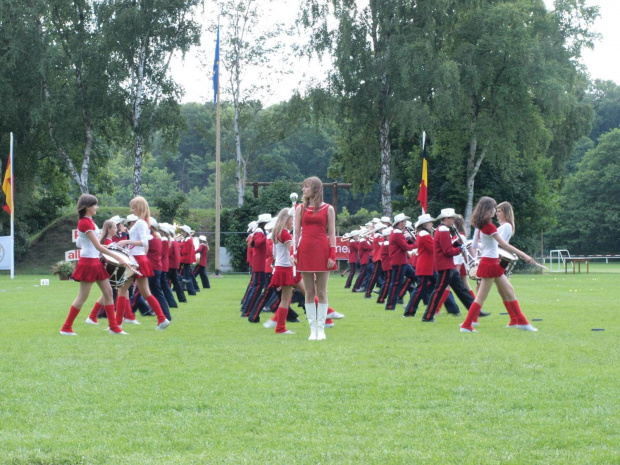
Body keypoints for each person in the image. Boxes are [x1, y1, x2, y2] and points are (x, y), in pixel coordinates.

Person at [460, 196, 538, 332]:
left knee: (509, 291)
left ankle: (521, 322)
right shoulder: (489, 226)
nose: (494, 212)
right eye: (493, 209)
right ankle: (467, 325)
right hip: (491, 264)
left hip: (490, 263)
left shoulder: (482, 225)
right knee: (481, 297)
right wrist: (525, 256)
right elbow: (504, 245)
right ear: (487, 209)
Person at [60, 195, 129, 336]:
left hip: (94, 262)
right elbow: (97, 246)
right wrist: (118, 258)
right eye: (95, 205)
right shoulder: (85, 223)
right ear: (87, 206)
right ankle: (66, 328)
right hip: (88, 263)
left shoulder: (89, 221)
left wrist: (112, 250)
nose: (97, 207)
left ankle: (113, 327)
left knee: (108, 292)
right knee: (82, 297)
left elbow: (94, 244)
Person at [116, 196, 171, 330]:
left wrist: (126, 242)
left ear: (139, 208)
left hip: (135, 260)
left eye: (133, 207)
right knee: (145, 292)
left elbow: (145, 242)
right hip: (139, 259)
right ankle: (162, 318)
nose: (131, 209)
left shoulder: (140, 223)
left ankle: (117, 324)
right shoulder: (144, 222)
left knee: (122, 291)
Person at [294, 176, 336, 341]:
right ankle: (313, 329)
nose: (303, 189)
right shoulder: (300, 209)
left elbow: (331, 233)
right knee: (309, 291)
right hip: (305, 249)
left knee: (322, 291)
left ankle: (321, 328)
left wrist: (332, 254)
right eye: (303, 187)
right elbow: (296, 233)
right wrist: (294, 252)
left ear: (315, 188)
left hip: (322, 249)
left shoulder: (328, 209)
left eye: (306, 187)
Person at [422, 208, 475, 322]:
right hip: (445, 264)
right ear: (446, 218)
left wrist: (456, 243)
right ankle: (428, 316)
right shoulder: (444, 230)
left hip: (448, 265)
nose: (453, 221)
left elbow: (446, 246)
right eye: (452, 218)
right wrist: (460, 249)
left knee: (461, 290)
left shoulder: (442, 229)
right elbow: (447, 251)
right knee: (439, 290)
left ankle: (475, 310)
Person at [269, 208, 306, 334]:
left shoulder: (276, 233)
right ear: (287, 219)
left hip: (281, 267)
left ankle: (279, 326)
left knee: (291, 297)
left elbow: (275, 254)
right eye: (292, 219)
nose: (293, 221)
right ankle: (326, 317)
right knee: (308, 294)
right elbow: (291, 252)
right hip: (287, 269)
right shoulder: (284, 233)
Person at [385, 213, 416, 310]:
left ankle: (400, 296)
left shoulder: (397, 232)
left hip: (402, 261)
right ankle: (390, 305)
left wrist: (411, 240)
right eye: (404, 221)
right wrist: (417, 244)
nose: (405, 223)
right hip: (399, 261)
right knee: (395, 283)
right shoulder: (397, 233)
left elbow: (404, 244)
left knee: (414, 276)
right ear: (400, 222)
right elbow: (405, 247)